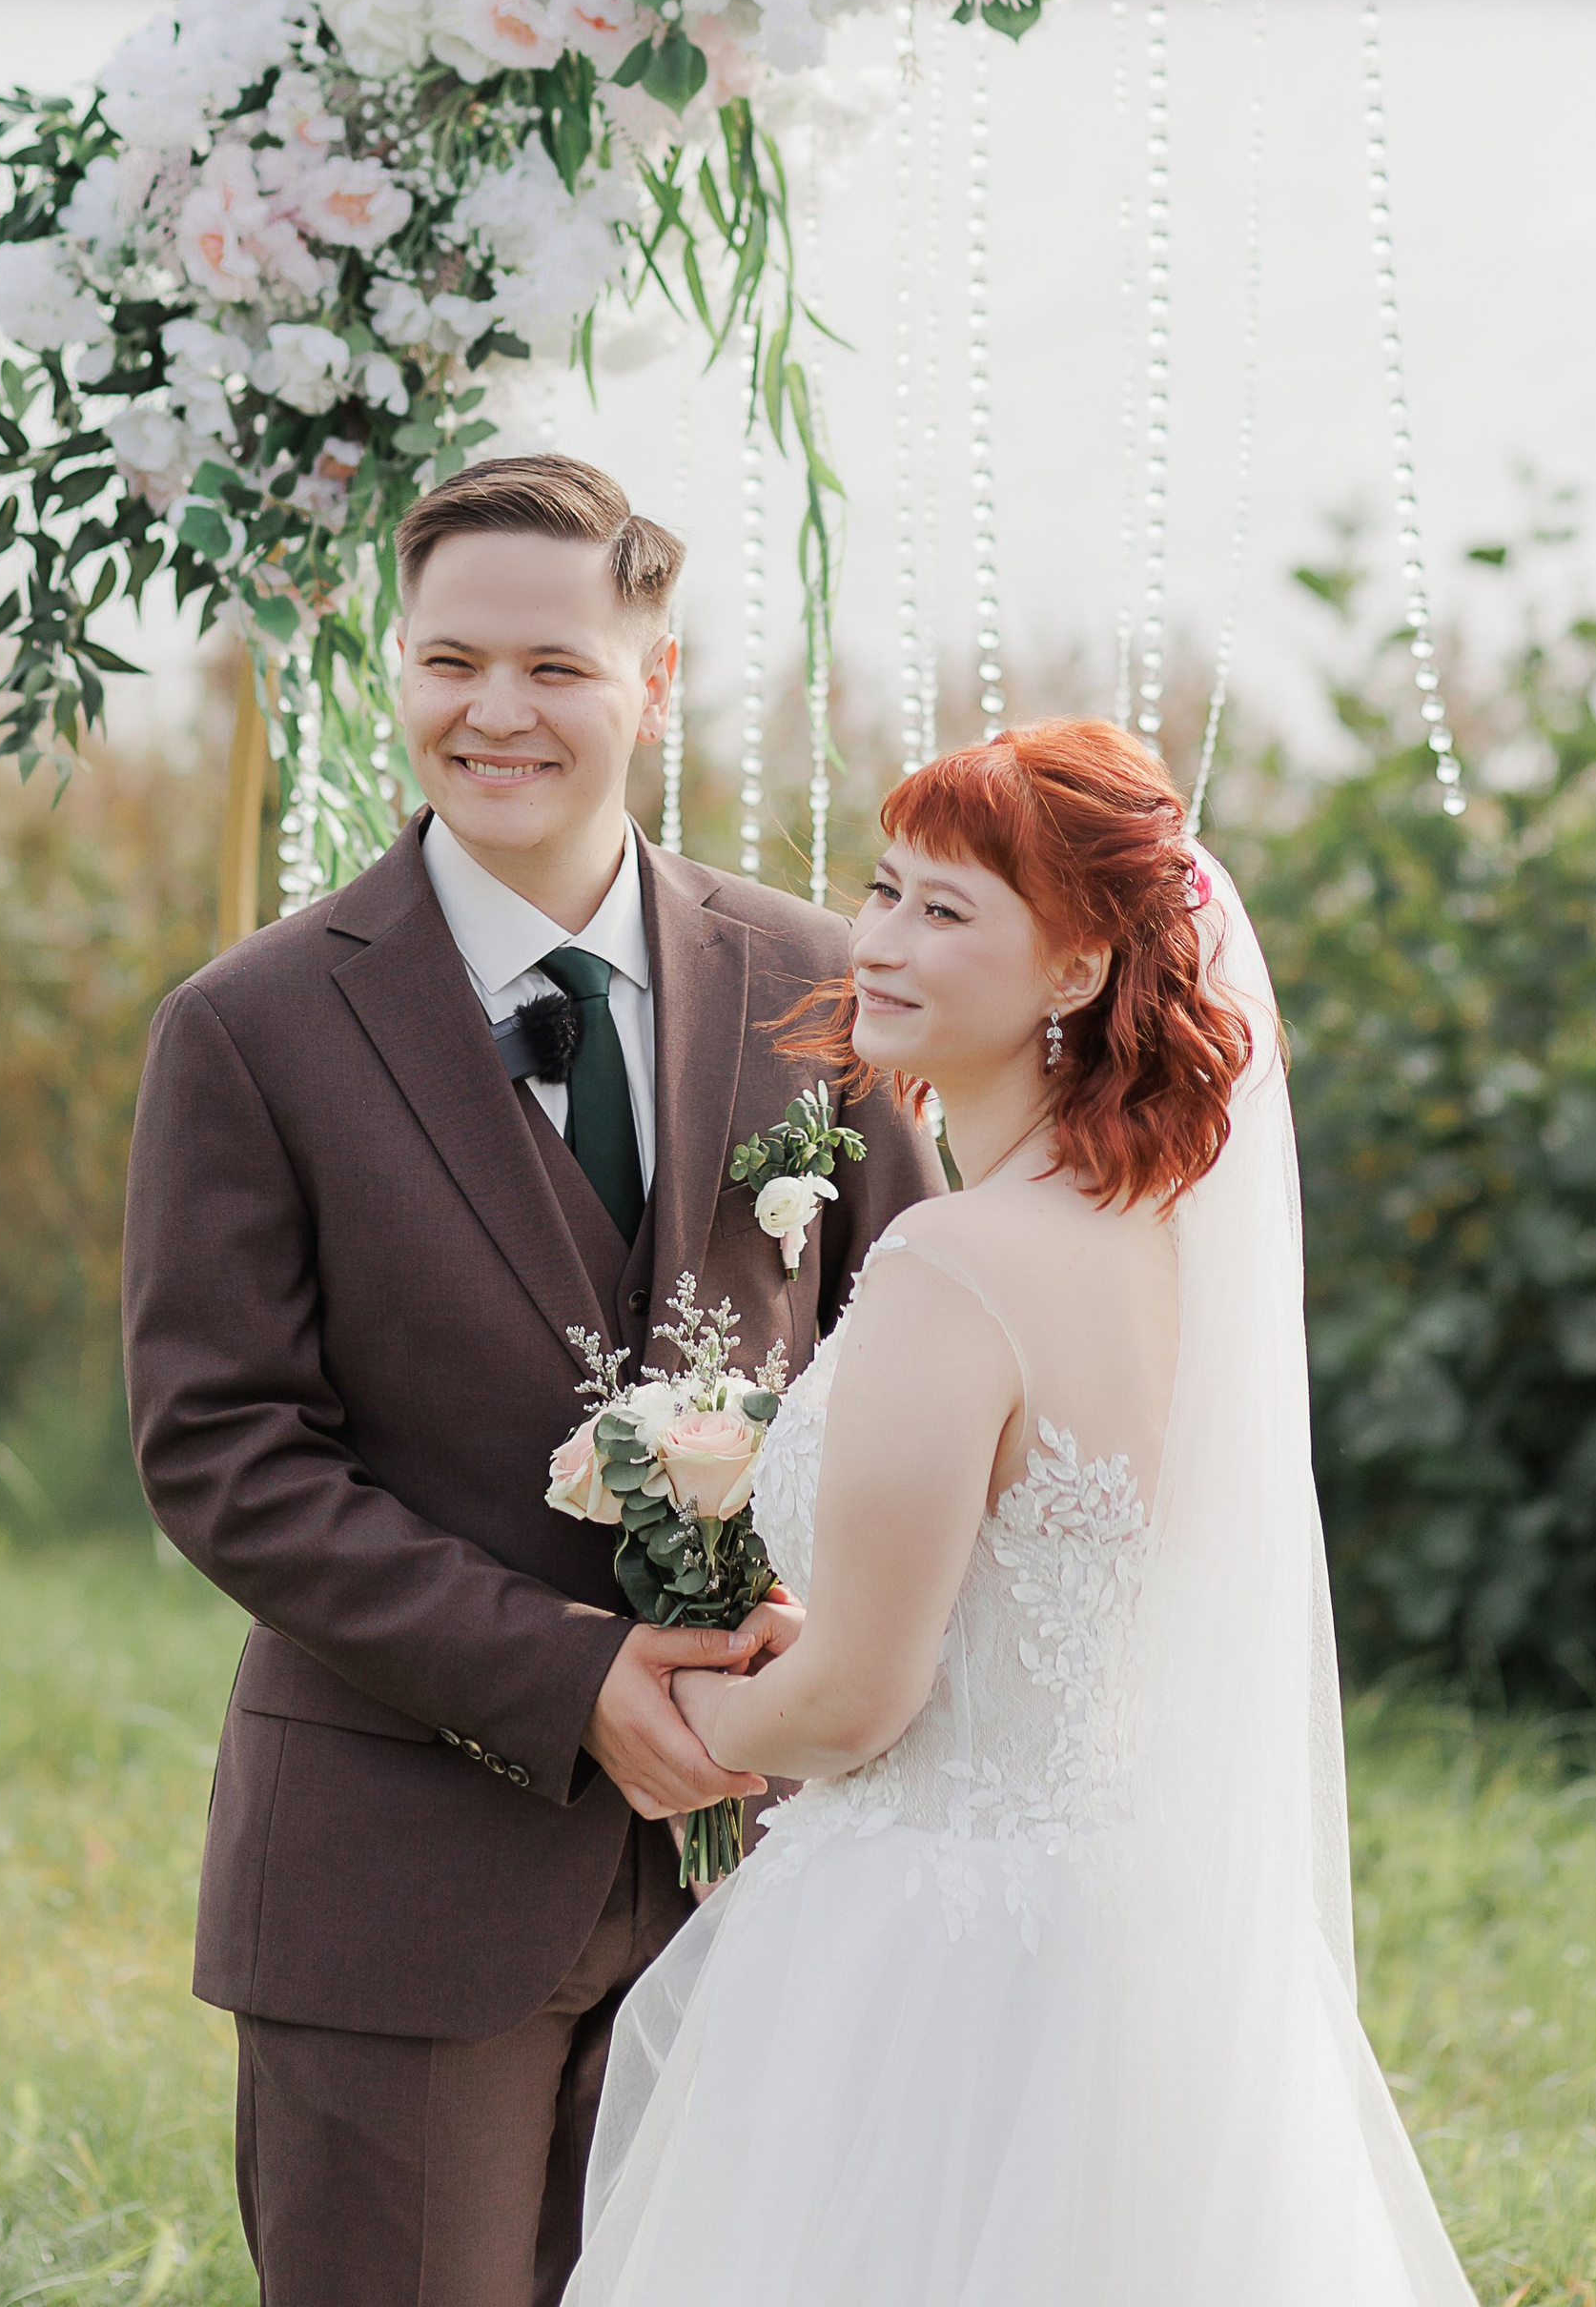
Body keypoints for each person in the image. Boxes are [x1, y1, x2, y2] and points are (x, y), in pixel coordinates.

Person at [121, 451, 942, 2307]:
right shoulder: (247, 1030)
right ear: (395, 674)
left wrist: (832, 1660)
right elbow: (222, 1455)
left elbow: (920, 1365)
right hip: (393, 1881)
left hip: (769, 1873)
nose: (493, 712)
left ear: (655, 683)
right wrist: (567, 1679)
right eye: (446, 662)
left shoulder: (820, 991)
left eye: (556, 668)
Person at [568, 717, 1478, 2307]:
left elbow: (859, 1702)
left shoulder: (953, 1267)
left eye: (946, 910)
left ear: (1072, 973)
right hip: (1137, 1939)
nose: (879, 943)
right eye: (883, 888)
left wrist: (699, 1698)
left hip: (937, 1950)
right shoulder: (1162, 1254)